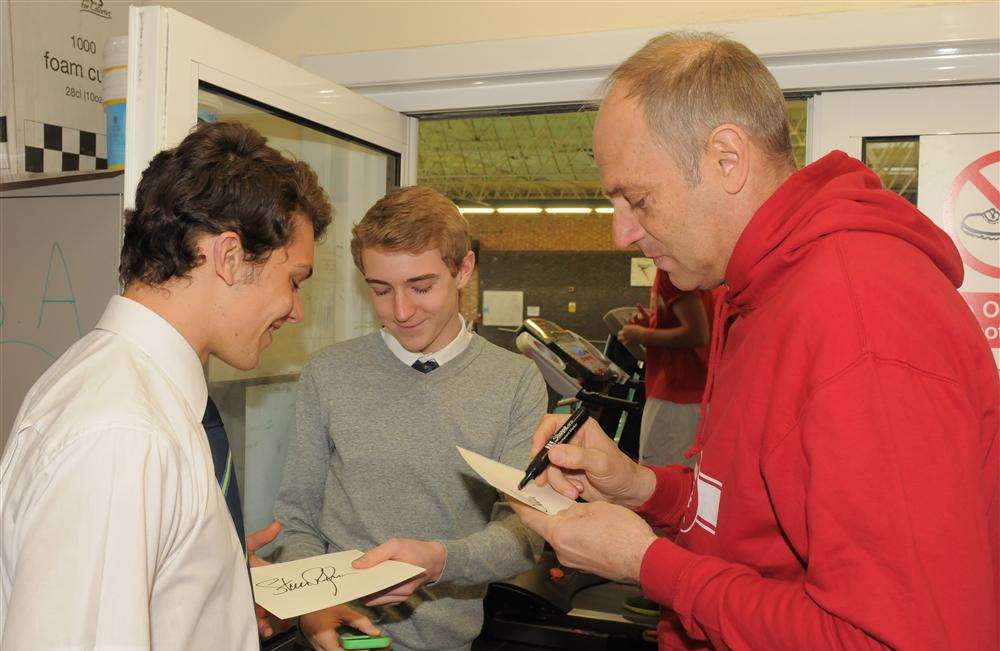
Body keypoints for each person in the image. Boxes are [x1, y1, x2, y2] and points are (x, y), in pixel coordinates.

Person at [510, 32, 998, 650]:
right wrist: (641, 487)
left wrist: (648, 565)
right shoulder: (754, 291)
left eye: (638, 199)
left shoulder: (860, 317)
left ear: (727, 159)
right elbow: (752, 517)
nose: (621, 232)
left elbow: (896, 638)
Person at [0, 121, 335, 649]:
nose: (295, 311)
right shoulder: (121, 432)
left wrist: (210, 579)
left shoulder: (131, 394)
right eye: (293, 280)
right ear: (228, 257)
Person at [274, 186, 547, 651]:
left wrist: (443, 561)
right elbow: (298, 517)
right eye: (381, 290)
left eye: (421, 287)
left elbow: (526, 532)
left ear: (463, 270)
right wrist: (311, 610)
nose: (400, 311)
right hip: (332, 638)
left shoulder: (516, 382)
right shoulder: (329, 373)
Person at [618, 268, 714, 466]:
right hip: (692, 394)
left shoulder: (673, 270)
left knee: (659, 476)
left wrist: (641, 335)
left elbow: (697, 333)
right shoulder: (694, 270)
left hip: (676, 396)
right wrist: (652, 324)